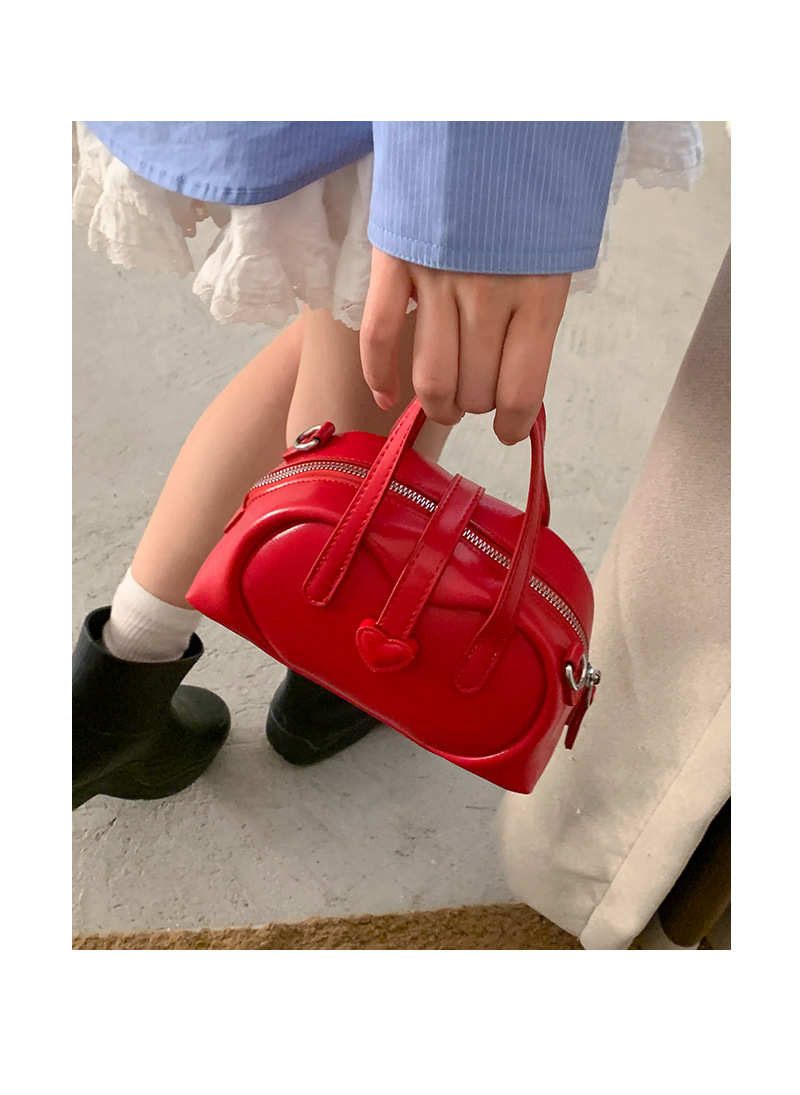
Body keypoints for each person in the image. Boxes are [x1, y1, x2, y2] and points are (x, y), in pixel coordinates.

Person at [72, 121, 705, 812]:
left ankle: (116, 696)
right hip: (455, 134)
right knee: (383, 357)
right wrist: (476, 204)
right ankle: (303, 677)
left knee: (344, 347)